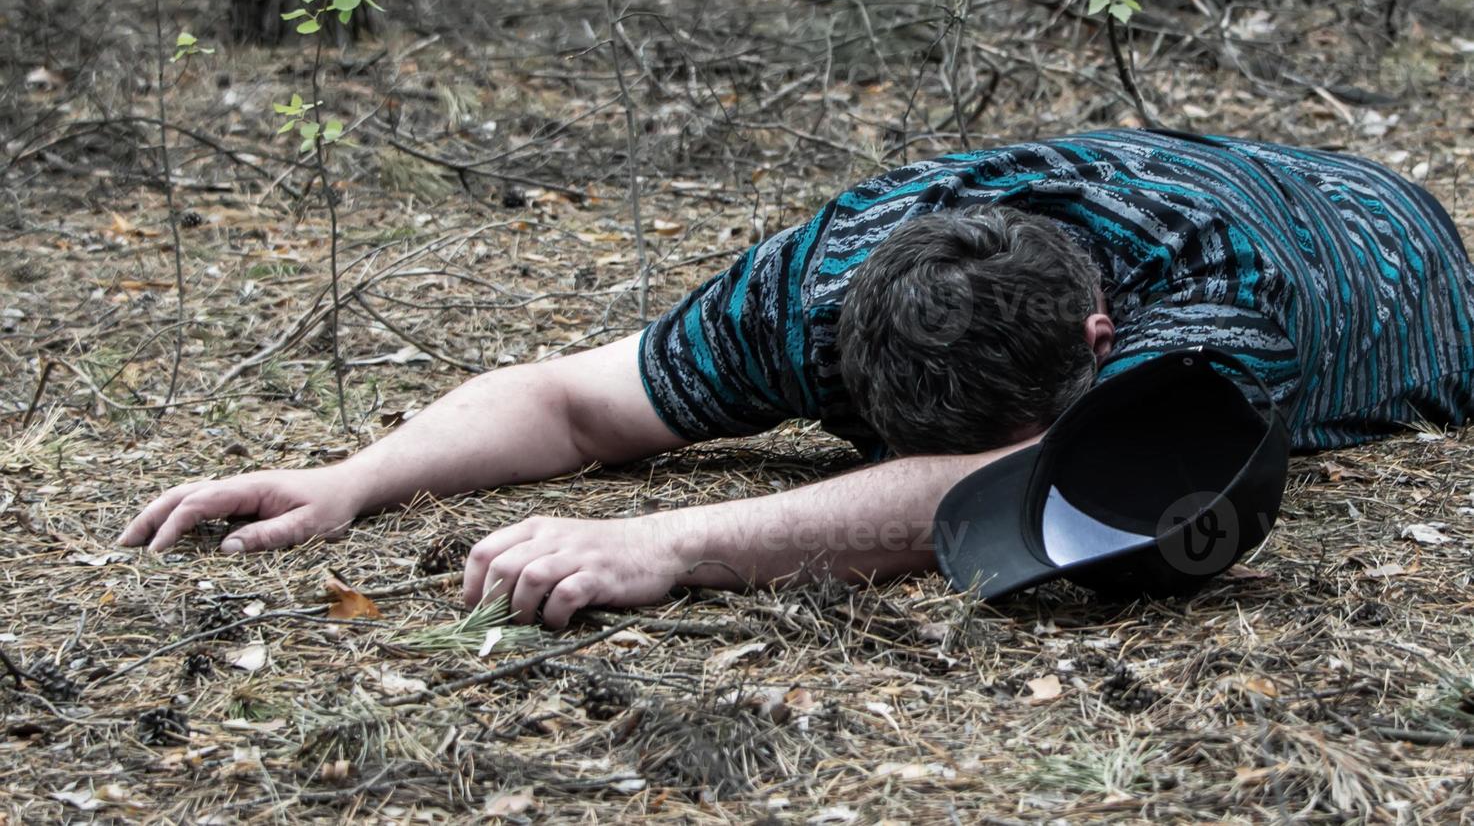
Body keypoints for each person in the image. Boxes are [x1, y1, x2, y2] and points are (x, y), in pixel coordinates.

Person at [120, 129, 1474, 627]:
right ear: (839, 346)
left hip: (1382, 244)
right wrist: (350, 479)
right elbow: (575, 400)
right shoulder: (817, 281)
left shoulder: (1208, 294)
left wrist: (675, 542)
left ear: (1095, 342)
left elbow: (1049, 482)